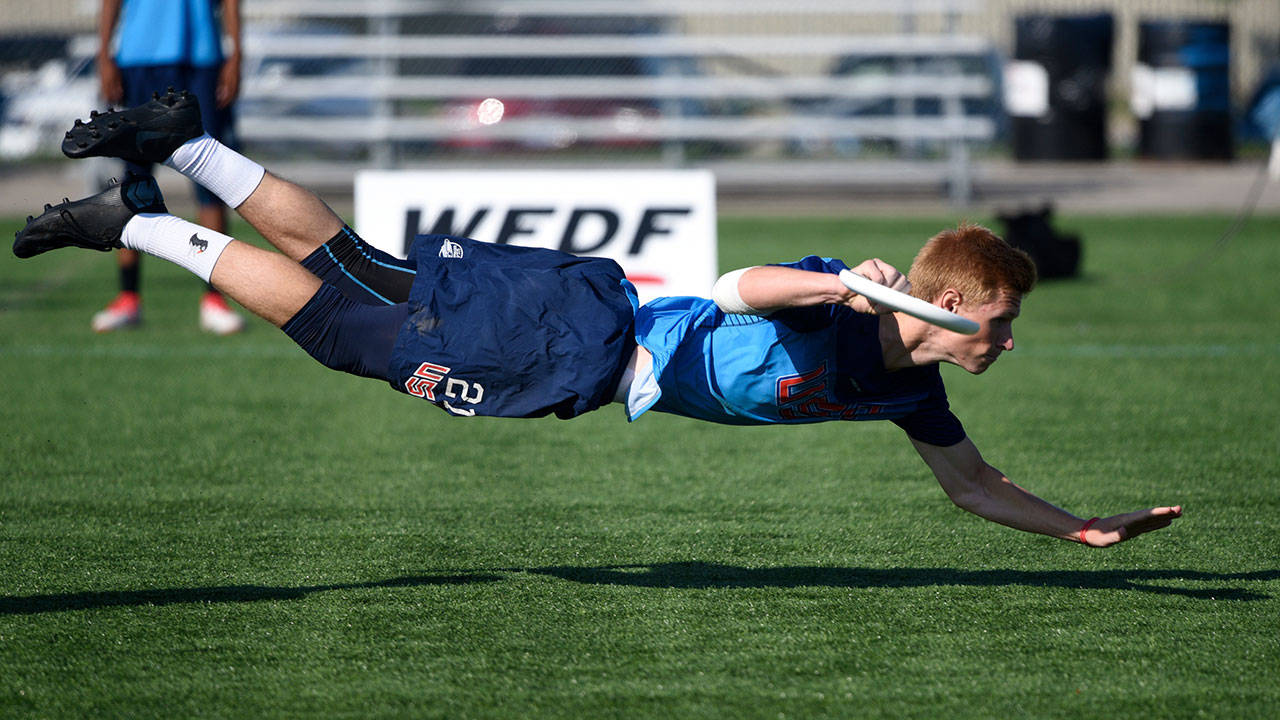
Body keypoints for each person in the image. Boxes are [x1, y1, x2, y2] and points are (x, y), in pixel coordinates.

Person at [16, 92, 1183, 549]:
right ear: (949, 303)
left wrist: (1075, 527)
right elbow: (735, 290)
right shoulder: (837, 288)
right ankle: (134, 221)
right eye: (999, 324)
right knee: (342, 324)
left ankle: (175, 155)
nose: (1005, 344)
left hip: (569, 335)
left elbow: (972, 486)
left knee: (359, 268)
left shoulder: (911, 389)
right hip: (577, 339)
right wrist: (835, 283)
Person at [90, 0, 244, 334]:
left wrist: (236, 54)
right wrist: (104, 55)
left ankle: (214, 298)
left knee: (211, 177)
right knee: (135, 178)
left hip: (201, 58)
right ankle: (128, 298)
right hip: (139, 59)